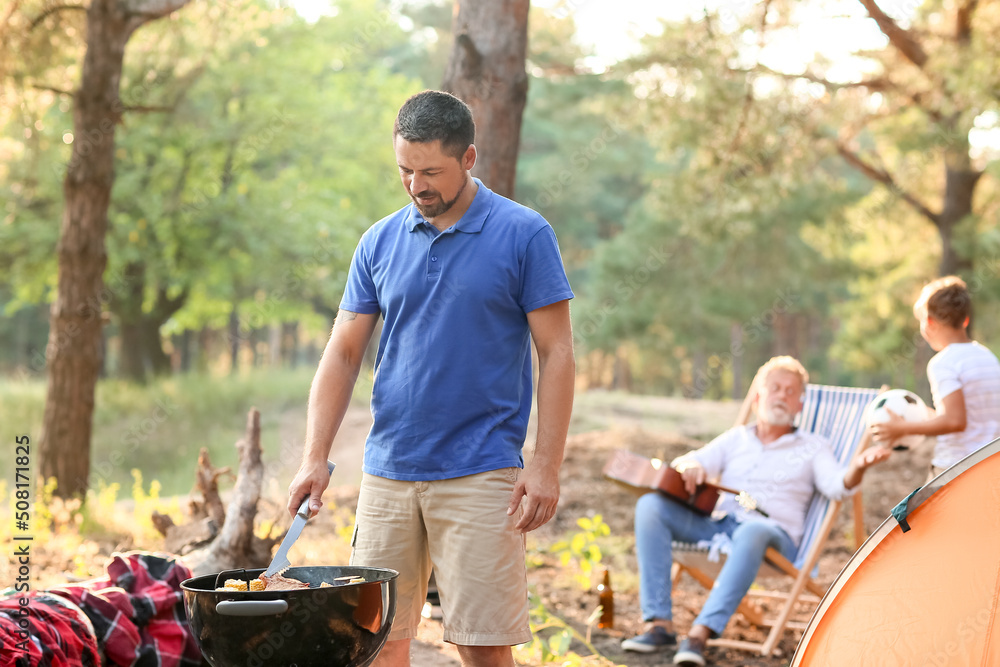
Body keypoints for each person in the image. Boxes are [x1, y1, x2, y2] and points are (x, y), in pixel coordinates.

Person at [286, 90, 576, 667]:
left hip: (482, 468)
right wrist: (313, 457)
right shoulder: (378, 242)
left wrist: (545, 464)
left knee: (480, 644)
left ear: (469, 159)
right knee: (376, 641)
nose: (417, 185)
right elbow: (343, 352)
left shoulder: (524, 234)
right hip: (389, 471)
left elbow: (558, 352)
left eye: (431, 172)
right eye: (405, 171)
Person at [621, 356, 890, 667]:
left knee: (752, 530)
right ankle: (659, 625)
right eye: (775, 388)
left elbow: (837, 485)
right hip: (719, 529)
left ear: (800, 405)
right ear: (758, 397)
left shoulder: (814, 446)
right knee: (651, 505)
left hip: (772, 538)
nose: (782, 396)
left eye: (791, 391)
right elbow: (689, 460)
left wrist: (856, 467)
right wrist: (692, 465)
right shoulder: (737, 438)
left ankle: (700, 634)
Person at [870, 275, 1000, 478]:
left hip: (954, 469)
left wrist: (902, 428)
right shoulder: (988, 357)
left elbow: (955, 421)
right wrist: (925, 415)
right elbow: (973, 415)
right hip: (991, 470)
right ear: (965, 320)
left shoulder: (943, 363)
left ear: (929, 322)